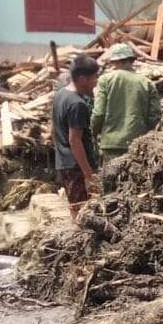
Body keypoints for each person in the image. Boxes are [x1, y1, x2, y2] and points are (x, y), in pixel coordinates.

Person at [90, 42, 161, 161]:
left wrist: (92, 133)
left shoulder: (105, 80)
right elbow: (155, 116)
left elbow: (99, 113)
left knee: (110, 178)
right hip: (138, 144)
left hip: (111, 143)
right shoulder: (147, 83)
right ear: (132, 61)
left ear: (114, 61)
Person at [52, 56, 101, 211]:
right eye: (94, 78)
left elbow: (54, 129)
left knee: (75, 208)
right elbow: (75, 140)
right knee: (81, 211)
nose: (96, 82)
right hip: (76, 167)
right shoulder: (77, 104)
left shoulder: (60, 95)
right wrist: (88, 173)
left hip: (64, 162)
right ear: (82, 79)